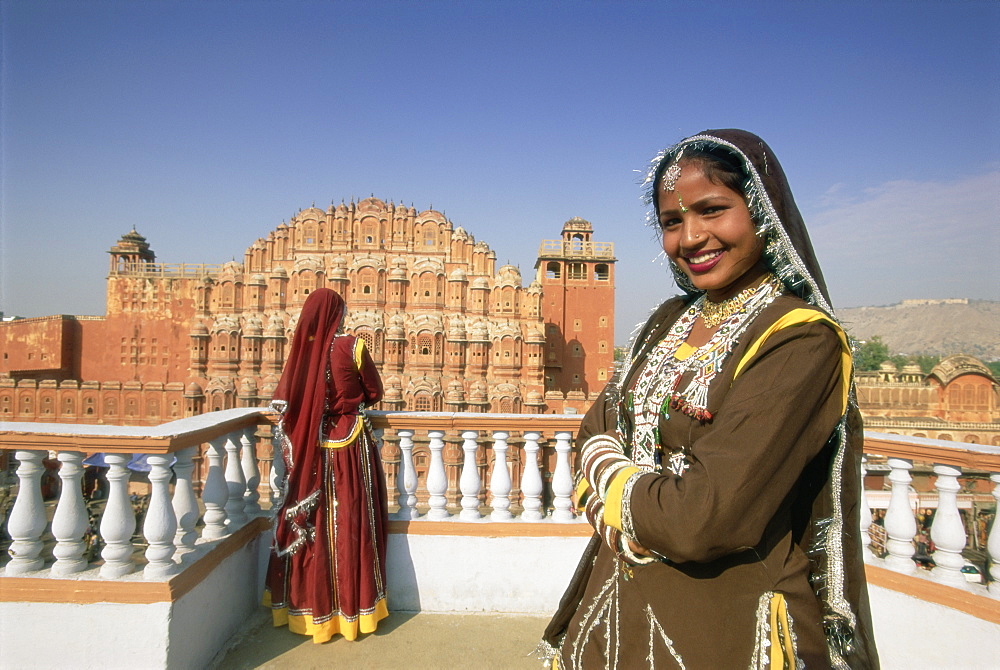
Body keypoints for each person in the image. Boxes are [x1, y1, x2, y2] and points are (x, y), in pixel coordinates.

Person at [541, 130, 879, 669]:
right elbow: (595, 424)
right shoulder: (669, 320)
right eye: (673, 222)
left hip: (727, 625)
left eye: (712, 210)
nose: (691, 237)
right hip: (617, 606)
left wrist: (608, 484)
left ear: (762, 212)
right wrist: (633, 501)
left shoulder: (800, 340)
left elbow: (702, 518)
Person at [264, 288, 389, 643]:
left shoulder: (304, 354)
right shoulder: (353, 347)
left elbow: (290, 400)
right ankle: (354, 613)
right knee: (351, 521)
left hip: (312, 446)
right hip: (349, 444)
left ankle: (307, 610)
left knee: (315, 523)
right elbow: (374, 392)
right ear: (338, 315)